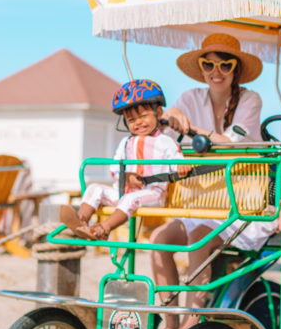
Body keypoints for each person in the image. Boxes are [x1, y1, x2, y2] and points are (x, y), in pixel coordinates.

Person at [151, 32, 267, 329]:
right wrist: (169, 117)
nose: (216, 72)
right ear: (201, 68)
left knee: (199, 236)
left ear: (235, 70)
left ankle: (192, 325)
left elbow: (232, 146)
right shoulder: (189, 98)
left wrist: (188, 127)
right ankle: (170, 324)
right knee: (158, 238)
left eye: (225, 65)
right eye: (208, 64)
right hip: (201, 200)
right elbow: (166, 139)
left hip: (243, 205)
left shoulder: (250, 100)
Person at [59, 79, 189, 241]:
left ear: (159, 113)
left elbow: (177, 161)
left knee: (130, 199)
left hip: (152, 194)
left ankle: (103, 229)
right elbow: (114, 167)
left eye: (143, 116)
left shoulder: (164, 141)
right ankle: (82, 220)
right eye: (131, 120)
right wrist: (126, 177)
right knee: (95, 188)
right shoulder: (126, 142)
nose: (138, 122)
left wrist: (181, 167)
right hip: (124, 193)